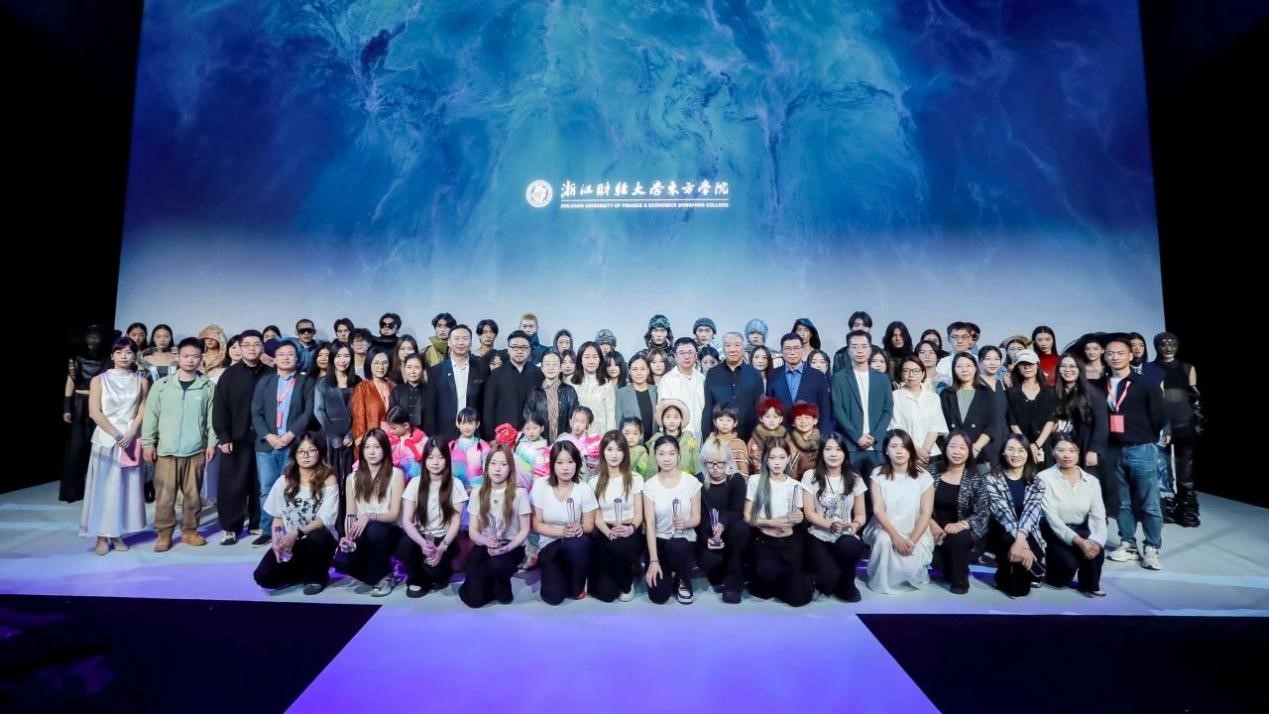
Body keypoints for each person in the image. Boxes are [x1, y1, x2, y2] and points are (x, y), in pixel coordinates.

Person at [141, 337, 217, 551]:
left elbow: (212, 419)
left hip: (195, 450)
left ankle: (190, 532)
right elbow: (151, 416)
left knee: (192, 496)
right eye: (186, 356)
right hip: (166, 450)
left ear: (201, 358)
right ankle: (164, 534)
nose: (190, 360)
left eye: (195, 356)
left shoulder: (207, 387)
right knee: (165, 497)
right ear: (177, 356)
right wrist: (148, 443)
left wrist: (212, 443)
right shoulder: (162, 385)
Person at [1102, 336, 1168, 570]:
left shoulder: (1146, 384)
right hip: (1113, 450)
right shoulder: (1102, 384)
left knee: (1150, 503)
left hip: (1141, 449)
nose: (1115, 357)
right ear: (1105, 356)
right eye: (1110, 353)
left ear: (1131, 355)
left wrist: (1144, 435)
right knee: (1122, 502)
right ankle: (1128, 544)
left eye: (1120, 353)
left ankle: (1152, 547)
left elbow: (1159, 416)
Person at [80, 337, 149, 555]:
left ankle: (117, 532)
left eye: (128, 352)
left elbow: (142, 409)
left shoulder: (141, 380)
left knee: (124, 490)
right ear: (112, 355)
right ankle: (102, 535)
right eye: (119, 352)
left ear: (135, 355)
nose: (123, 356)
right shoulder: (99, 380)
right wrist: (117, 434)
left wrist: (131, 432)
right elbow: (95, 412)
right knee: (103, 489)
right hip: (106, 440)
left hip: (129, 440)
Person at [252, 434, 339, 595]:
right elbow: (278, 518)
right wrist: (276, 541)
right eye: (301, 451)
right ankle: (303, 572)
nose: (306, 455)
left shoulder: (329, 479)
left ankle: (317, 577)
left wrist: (296, 533)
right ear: (295, 454)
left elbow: (325, 519)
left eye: (311, 450)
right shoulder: (284, 481)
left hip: (318, 539)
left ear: (320, 452)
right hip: (291, 542)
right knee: (263, 577)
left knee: (318, 537)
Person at [250, 341, 314, 546]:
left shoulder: (305, 381)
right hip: (267, 445)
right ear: (275, 358)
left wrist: (290, 434)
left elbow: (308, 412)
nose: (286, 358)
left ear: (297, 358)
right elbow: (256, 413)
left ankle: (291, 529)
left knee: (292, 487)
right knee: (267, 488)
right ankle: (267, 529)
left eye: (290, 354)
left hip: (292, 444)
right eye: (282, 354)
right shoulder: (265, 381)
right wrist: (268, 436)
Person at [212, 330, 268, 545]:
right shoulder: (229, 375)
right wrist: (223, 436)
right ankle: (230, 527)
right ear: (240, 348)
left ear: (262, 347)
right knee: (232, 485)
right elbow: (220, 407)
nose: (252, 348)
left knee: (259, 483)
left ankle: (256, 523)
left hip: (264, 438)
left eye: (256, 344)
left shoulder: (270, 373)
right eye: (247, 344)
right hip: (236, 439)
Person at [459, 444, 532, 607]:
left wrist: (507, 548)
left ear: (510, 468)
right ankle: (488, 584)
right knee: (473, 600)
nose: (497, 469)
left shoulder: (520, 493)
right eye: (493, 463)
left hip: (511, 547)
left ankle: (501, 583)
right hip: (485, 545)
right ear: (487, 467)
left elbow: (525, 530)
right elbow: (473, 531)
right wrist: (486, 541)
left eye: (503, 464)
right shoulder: (477, 492)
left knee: (498, 572)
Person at [863, 430, 935, 594]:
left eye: (904, 446)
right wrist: (895, 537)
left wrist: (912, 541)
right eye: (894, 446)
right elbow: (878, 510)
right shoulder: (878, 474)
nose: (899, 451)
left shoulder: (924, 477)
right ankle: (880, 582)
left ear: (910, 450)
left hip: (914, 531)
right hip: (885, 529)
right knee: (883, 540)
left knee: (910, 564)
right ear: (886, 450)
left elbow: (925, 513)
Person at [335, 429, 405, 597]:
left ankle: (384, 575)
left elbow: (394, 514)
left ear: (385, 449)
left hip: (389, 530)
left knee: (375, 529)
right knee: (342, 562)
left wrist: (369, 516)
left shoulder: (396, 474)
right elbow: (351, 514)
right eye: (367, 447)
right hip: (363, 531)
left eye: (377, 447)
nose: (371, 452)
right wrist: (348, 537)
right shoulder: (352, 478)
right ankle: (377, 575)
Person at [744, 438, 813, 606]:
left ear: (788, 458)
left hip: (789, 543)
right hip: (765, 541)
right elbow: (748, 517)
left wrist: (799, 517)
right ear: (765, 459)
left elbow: (797, 515)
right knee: (763, 588)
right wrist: (771, 522)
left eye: (782, 457)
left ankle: (794, 579)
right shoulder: (755, 481)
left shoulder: (795, 485)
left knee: (798, 599)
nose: (777, 462)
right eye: (772, 457)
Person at [397, 437, 468, 597]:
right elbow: (407, 520)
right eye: (430, 457)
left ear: (447, 460)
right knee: (404, 547)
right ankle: (417, 578)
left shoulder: (455, 484)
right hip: (421, 536)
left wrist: (442, 547)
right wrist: (422, 543)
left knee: (435, 572)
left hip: (444, 539)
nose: (435, 462)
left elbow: (455, 521)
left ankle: (440, 572)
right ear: (424, 460)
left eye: (440, 457)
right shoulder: (415, 483)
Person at [800, 432, 867, 602]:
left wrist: (855, 525)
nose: (833, 454)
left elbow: (861, 514)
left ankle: (848, 581)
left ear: (844, 453)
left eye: (838, 449)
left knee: (851, 546)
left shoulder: (855, 479)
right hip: (818, 535)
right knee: (827, 582)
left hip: (844, 535)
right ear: (822, 452)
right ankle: (828, 575)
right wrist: (829, 524)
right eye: (828, 449)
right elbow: (809, 513)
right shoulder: (810, 476)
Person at [1038, 436, 1107, 596]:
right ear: (1053, 452)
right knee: (1065, 570)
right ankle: (1053, 574)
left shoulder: (1091, 481)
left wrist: (1097, 541)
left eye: (1072, 450)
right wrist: (1080, 542)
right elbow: (1052, 518)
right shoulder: (1043, 478)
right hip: (1052, 530)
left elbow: (1098, 516)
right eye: (1061, 450)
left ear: (1078, 452)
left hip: (1081, 528)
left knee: (1094, 547)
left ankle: (1090, 585)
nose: (1067, 455)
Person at [532, 441, 598, 604]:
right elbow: (537, 524)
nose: (565, 468)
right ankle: (559, 574)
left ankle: (579, 581)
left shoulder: (584, 488)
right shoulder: (541, 486)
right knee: (553, 598)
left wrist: (580, 527)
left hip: (574, 543)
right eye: (560, 462)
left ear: (577, 463)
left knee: (579, 545)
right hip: (549, 545)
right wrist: (562, 532)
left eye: (570, 462)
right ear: (552, 464)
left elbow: (589, 525)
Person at [985, 434, 1046, 598]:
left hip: (1028, 533)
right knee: (1017, 590)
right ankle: (1008, 569)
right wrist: (1021, 544)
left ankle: (1012, 571)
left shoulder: (1037, 483)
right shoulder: (991, 480)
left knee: (1021, 590)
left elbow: (1030, 513)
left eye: (1021, 450)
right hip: (1001, 533)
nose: (1016, 454)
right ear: (1003, 452)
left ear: (1028, 454)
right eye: (1011, 449)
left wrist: (1021, 541)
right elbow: (1004, 513)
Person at [643, 435, 703, 604]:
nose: (667, 458)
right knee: (658, 596)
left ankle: (683, 578)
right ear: (655, 456)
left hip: (684, 541)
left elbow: (697, 518)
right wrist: (653, 560)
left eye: (671, 453)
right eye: (661, 454)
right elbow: (650, 525)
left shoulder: (691, 482)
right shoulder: (649, 485)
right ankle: (671, 573)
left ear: (678, 455)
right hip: (660, 542)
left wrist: (686, 523)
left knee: (678, 545)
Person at [928, 431, 989, 594]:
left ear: (969, 451)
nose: (957, 452)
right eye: (953, 446)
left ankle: (960, 582)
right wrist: (930, 523)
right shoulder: (932, 471)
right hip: (931, 528)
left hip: (961, 530)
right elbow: (918, 502)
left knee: (958, 539)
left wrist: (962, 524)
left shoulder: (975, 477)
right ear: (945, 448)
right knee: (942, 564)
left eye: (962, 448)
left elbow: (983, 512)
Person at [587, 432, 645, 602]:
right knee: (606, 594)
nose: (614, 454)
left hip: (629, 530)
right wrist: (609, 533)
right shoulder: (594, 482)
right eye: (610, 449)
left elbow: (639, 514)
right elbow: (597, 518)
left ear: (625, 452)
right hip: (605, 531)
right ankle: (620, 571)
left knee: (620, 547)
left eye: (619, 450)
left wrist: (630, 529)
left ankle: (627, 582)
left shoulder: (635, 479)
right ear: (603, 452)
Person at [1153, 332, 1201, 527]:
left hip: (1183, 423)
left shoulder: (1187, 368)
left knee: (1185, 470)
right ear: (1156, 346)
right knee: (1162, 468)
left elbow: (1195, 399)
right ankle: (1167, 508)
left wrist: (1197, 423)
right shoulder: (1151, 369)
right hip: (1159, 425)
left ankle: (1188, 509)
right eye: (1163, 344)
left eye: (1172, 343)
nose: (1168, 347)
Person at [694, 436, 749, 604]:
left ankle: (733, 584)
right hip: (708, 534)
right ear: (704, 463)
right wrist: (707, 539)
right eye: (711, 463)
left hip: (731, 531)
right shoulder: (698, 481)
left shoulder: (736, 480)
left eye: (720, 463)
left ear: (728, 461)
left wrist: (723, 522)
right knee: (711, 563)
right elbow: (699, 516)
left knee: (741, 529)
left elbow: (738, 512)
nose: (716, 468)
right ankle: (721, 573)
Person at [832, 330, 893, 477]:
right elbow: (838, 410)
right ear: (848, 351)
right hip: (851, 446)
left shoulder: (883, 378)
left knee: (878, 488)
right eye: (854, 347)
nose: (859, 351)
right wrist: (857, 436)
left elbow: (888, 410)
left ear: (870, 350)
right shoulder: (839, 378)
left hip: (877, 446)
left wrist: (875, 436)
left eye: (864, 346)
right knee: (850, 488)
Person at [62, 325, 112, 502]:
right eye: (90, 336)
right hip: (79, 403)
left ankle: (96, 490)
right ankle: (73, 490)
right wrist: (67, 407)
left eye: (96, 337)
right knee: (76, 448)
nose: (93, 340)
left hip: (100, 404)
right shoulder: (76, 357)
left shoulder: (107, 358)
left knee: (97, 447)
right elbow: (70, 382)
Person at [425, 324, 488, 443]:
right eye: (457, 338)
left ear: (471, 342)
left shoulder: (481, 368)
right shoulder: (436, 371)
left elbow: (486, 403)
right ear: (449, 342)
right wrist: (431, 438)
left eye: (465, 338)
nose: (461, 342)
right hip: (445, 433)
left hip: (474, 431)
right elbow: (431, 408)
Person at [939, 352, 998, 471]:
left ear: (976, 368)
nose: (964, 369)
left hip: (979, 453)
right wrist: (953, 447)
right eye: (959, 366)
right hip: (952, 454)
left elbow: (992, 425)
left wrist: (976, 447)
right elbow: (941, 423)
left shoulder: (986, 393)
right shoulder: (946, 394)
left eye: (968, 365)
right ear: (954, 370)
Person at [768, 332, 834, 435]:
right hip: (781, 437)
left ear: (802, 350)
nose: (792, 352)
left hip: (810, 437)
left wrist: (824, 437)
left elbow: (825, 412)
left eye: (796, 348)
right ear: (781, 352)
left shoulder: (818, 376)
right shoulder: (772, 375)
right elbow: (768, 408)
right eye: (788, 349)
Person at [702, 332, 764, 441]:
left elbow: (759, 410)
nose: (732, 349)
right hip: (718, 438)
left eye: (737, 345)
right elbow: (708, 408)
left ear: (743, 348)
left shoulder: (755, 374)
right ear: (723, 348)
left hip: (748, 438)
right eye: (728, 345)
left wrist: (757, 439)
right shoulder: (712, 374)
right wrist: (707, 436)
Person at [889, 356, 948, 468]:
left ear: (923, 373)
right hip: (904, 453)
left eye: (915, 371)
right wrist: (917, 451)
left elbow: (935, 426)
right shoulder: (894, 397)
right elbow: (897, 428)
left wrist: (924, 452)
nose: (911, 375)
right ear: (901, 374)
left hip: (931, 454)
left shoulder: (933, 398)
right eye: (906, 371)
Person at [315, 342, 360, 487]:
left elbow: (360, 412)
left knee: (350, 478)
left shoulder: (358, 382)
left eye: (346, 356)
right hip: (328, 437)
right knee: (330, 478)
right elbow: (318, 410)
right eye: (338, 356)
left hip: (351, 438)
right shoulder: (322, 383)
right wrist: (333, 436)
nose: (342, 360)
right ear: (332, 358)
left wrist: (351, 434)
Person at [481, 330, 541, 440]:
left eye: (524, 347)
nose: (519, 351)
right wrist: (491, 437)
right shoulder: (496, 374)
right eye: (515, 347)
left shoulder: (538, 373)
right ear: (508, 349)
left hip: (532, 436)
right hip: (503, 436)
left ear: (529, 350)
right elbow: (489, 409)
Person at [1005, 349, 1057, 468]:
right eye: (1022, 364)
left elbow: (1050, 421)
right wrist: (1026, 445)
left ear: (1037, 366)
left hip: (1043, 444)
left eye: (1030, 364)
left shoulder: (1050, 392)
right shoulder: (1011, 393)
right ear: (1017, 367)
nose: (1027, 367)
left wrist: (1037, 445)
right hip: (1019, 444)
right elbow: (1012, 422)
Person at [657, 337, 707, 437]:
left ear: (696, 355)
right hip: (678, 437)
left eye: (690, 352)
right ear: (675, 356)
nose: (686, 356)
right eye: (682, 353)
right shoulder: (667, 380)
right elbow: (663, 412)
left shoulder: (702, 379)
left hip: (701, 436)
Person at [526, 350, 578, 442]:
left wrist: (567, 441)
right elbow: (528, 417)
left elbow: (574, 419)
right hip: (540, 444)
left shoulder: (569, 391)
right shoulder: (535, 392)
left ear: (560, 368)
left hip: (564, 445)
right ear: (542, 368)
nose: (551, 367)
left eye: (554, 364)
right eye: (547, 364)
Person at [351, 348, 394, 445]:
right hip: (371, 440)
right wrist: (362, 440)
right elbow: (359, 419)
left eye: (384, 363)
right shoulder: (362, 388)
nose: (381, 367)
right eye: (376, 363)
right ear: (369, 364)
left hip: (392, 441)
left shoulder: (393, 385)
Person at [571, 341, 615, 435]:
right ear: (580, 360)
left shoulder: (607, 384)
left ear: (600, 360)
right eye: (587, 357)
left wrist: (609, 439)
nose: (591, 361)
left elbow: (611, 417)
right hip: (576, 436)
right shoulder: (571, 382)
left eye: (595, 357)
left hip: (599, 436)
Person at [649, 399, 701, 475]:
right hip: (663, 479)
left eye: (676, 417)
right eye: (668, 417)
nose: (672, 421)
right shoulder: (656, 440)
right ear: (662, 419)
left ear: (681, 419)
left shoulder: (689, 439)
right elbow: (652, 466)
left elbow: (697, 461)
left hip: (686, 479)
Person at [615, 353, 657, 440]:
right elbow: (618, 422)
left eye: (642, 369)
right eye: (635, 369)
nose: (639, 373)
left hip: (654, 443)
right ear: (629, 371)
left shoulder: (656, 391)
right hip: (631, 443)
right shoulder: (621, 393)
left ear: (648, 370)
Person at [450, 407, 491, 489]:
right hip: (455, 490)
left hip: (477, 490)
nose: (467, 427)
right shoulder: (451, 446)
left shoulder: (484, 446)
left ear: (477, 424)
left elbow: (488, 472)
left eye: (470, 423)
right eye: (463, 423)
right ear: (457, 424)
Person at [748, 397, 790, 475]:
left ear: (781, 419)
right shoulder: (754, 440)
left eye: (775, 417)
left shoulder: (787, 440)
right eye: (767, 416)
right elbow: (751, 462)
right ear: (761, 418)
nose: (771, 420)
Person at [708, 402, 750, 477]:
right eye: (721, 420)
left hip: (734, 481)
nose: (724, 423)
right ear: (714, 422)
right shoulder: (709, 441)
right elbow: (705, 465)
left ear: (735, 423)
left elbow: (744, 470)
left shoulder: (739, 444)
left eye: (728, 420)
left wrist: (742, 482)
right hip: (713, 481)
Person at [389, 353, 427, 430]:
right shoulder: (397, 391)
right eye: (409, 367)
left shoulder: (430, 391)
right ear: (404, 368)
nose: (412, 371)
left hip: (426, 433)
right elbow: (392, 417)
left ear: (423, 369)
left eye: (417, 367)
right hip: (402, 433)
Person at [934, 322, 977, 387]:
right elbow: (937, 384)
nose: (960, 341)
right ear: (948, 339)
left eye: (964, 337)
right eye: (955, 337)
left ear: (971, 339)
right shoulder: (943, 362)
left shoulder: (979, 361)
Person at [786, 401, 822, 477]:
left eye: (807, 417)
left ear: (815, 421)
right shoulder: (788, 443)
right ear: (793, 423)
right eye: (798, 418)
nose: (803, 421)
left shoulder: (823, 442)